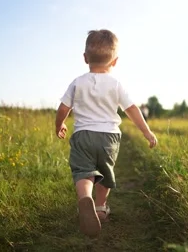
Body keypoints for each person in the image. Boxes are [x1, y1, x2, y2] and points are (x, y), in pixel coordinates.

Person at [55, 29, 158, 238]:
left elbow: (63, 108)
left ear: (85, 58)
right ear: (115, 61)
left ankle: (85, 198)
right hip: (109, 137)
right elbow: (132, 109)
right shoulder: (116, 83)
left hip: (83, 135)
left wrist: (60, 125)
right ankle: (100, 208)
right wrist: (146, 132)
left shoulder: (78, 82)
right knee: (105, 171)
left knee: (83, 171)